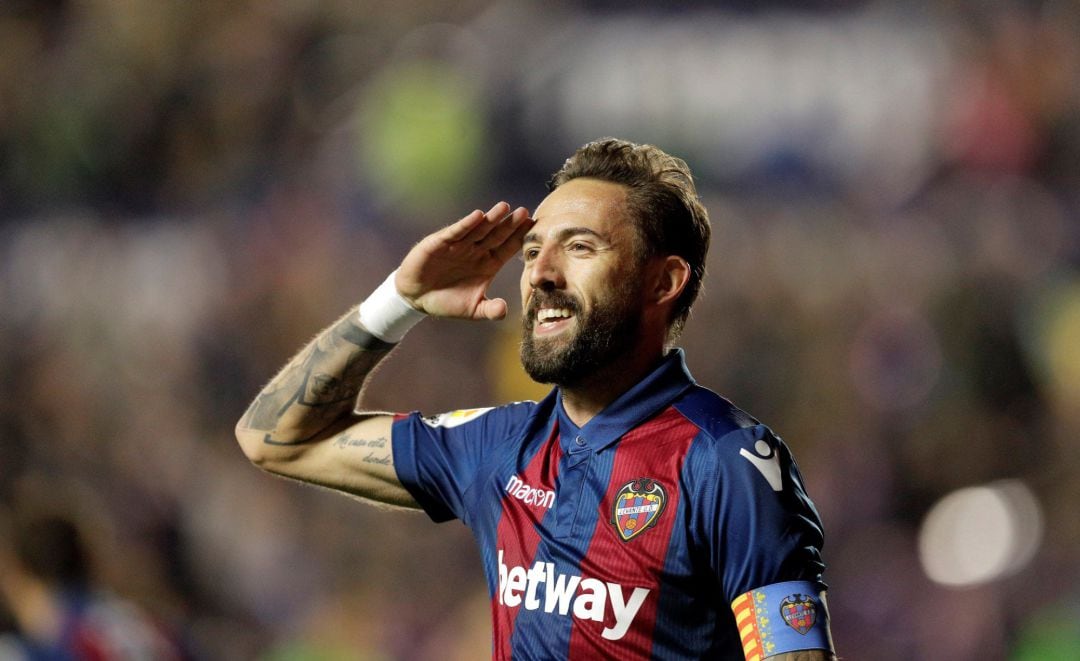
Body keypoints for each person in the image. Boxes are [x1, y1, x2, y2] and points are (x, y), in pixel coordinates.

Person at [236, 138, 836, 660]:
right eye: (530, 251)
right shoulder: (496, 446)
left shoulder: (729, 463)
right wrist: (399, 300)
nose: (540, 273)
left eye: (579, 248)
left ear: (664, 281)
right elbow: (274, 438)